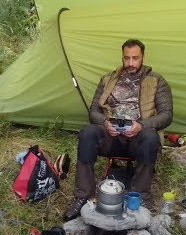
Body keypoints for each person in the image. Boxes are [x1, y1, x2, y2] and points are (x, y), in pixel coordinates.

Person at [63, 39, 173, 221]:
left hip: (138, 139)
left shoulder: (156, 81)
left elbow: (167, 115)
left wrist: (141, 126)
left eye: (135, 58)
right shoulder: (108, 79)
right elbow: (93, 112)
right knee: (88, 133)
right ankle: (83, 196)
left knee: (150, 136)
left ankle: (141, 196)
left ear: (143, 57)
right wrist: (105, 122)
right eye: (126, 58)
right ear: (122, 57)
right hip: (111, 138)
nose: (130, 63)